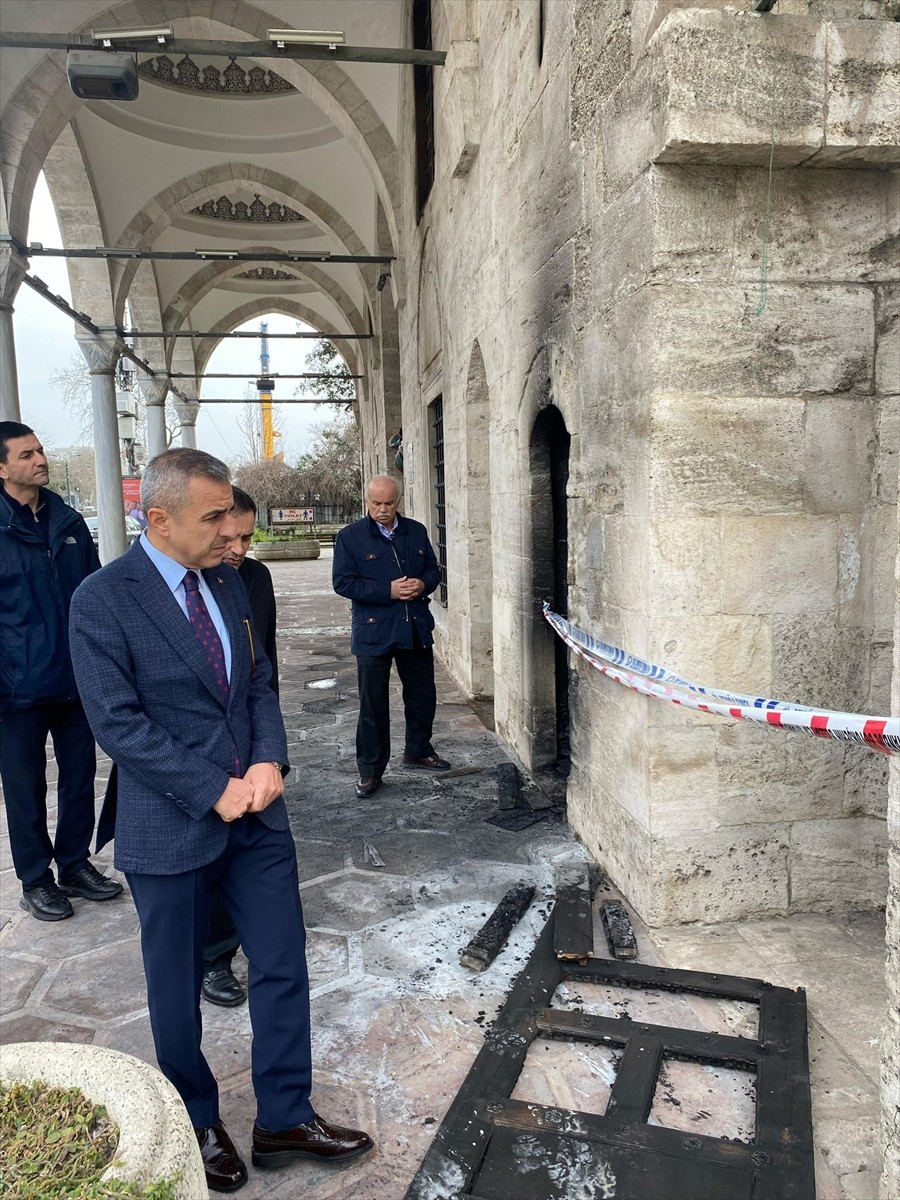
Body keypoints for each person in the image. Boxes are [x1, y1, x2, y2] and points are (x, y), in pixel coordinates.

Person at [69, 449, 372, 1193]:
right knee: (175, 986)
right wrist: (214, 788)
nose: (230, 535)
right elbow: (117, 723)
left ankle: (284, 1117)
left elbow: (260, 682)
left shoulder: (230, 582)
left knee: (281, 963)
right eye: (213, 519)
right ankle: (196, 1120)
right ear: (161, 518)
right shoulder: (103, 599)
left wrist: (270, 761)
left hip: (261, 819)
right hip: (169, 822)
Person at [0, 421, 123, 921]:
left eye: (41, 450)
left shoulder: (69, 522)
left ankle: (74, 864)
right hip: (16, 688)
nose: (40, 460)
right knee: (24, 786)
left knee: (79, 776)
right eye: (26, 455)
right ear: (2, 467)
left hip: (75, 680)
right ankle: (35, 879)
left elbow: (92, 598)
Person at [201, 486, 278, 1009]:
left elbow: (263, 668)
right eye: (230, 534)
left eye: (248, 536)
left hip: (250, 744)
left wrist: (268, 749)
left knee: (249, 851)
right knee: (204, 861)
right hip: (197, 759)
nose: (239, 546)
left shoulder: (252, 579)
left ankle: (250, 940)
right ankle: (212, 957)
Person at [333, 474, 451, 799]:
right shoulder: (350, 537)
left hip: (413, 625)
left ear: (398, 501)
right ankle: (370, 770)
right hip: (373, 632)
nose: (382, 510)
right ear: (367, 501)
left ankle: (418, 748)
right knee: (373, 703)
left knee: (422, 694)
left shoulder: (416, 531)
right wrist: (388, 590)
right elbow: (343, 583)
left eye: (388, 503)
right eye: (376, 504)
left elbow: (433, 570)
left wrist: (422, 584)